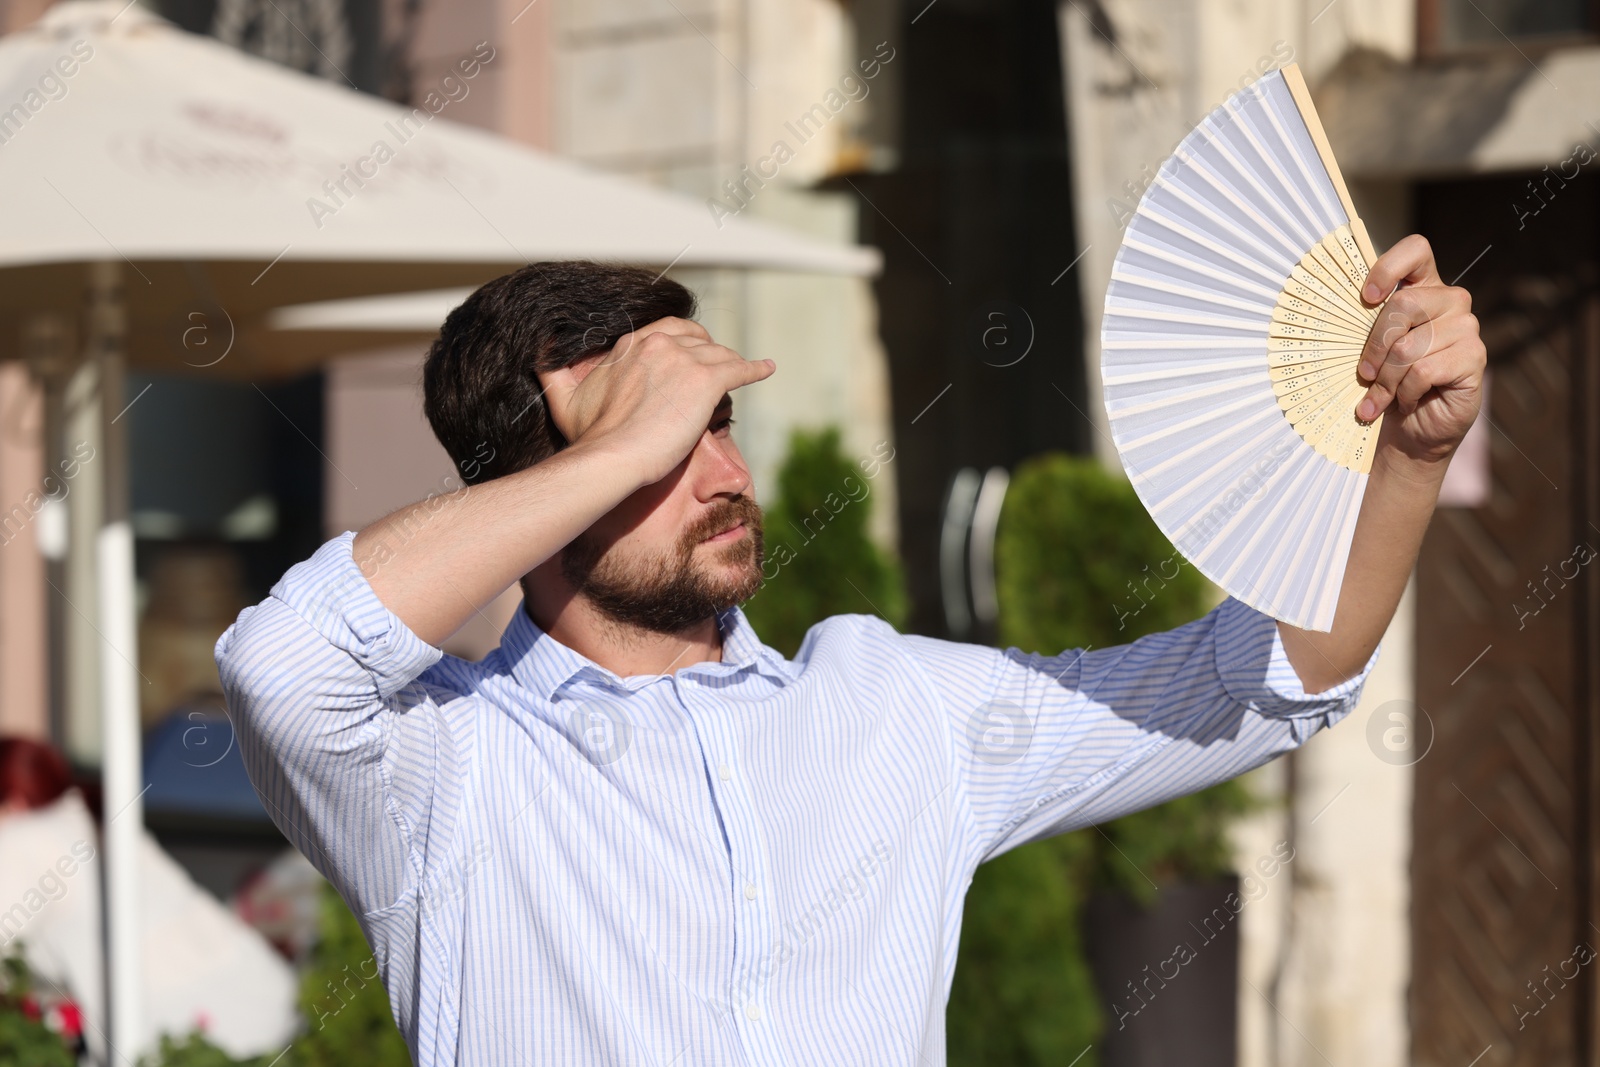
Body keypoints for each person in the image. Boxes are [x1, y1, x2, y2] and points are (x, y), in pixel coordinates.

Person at [216, 244, 1485, 1066]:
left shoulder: (896, 705)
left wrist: (1411, 458)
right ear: (539, 485)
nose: (721, 472)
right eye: (666, 442)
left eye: (716, 423)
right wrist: (610, 451)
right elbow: (282, 663)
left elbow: (1254, 683)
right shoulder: (437, 766)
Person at [0, 737, 299, 1064]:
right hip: (268, 1002)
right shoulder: (88, 822)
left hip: (196, 1034)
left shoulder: (24, 839)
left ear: (13, 800)